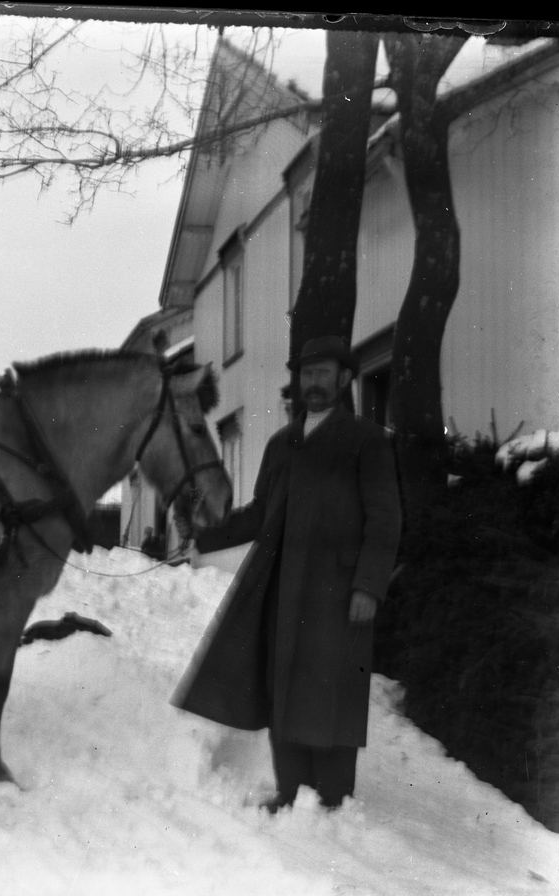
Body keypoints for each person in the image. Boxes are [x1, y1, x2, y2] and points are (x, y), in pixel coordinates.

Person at [172, 335, 401, 813]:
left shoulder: (367, 442)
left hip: (340, 594)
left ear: (344, 378)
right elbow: (260, 512)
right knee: (285, 689)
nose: (312, 382)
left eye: (322, 373)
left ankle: (335, 799)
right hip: (285, 588)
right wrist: (206, 535)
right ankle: (290, 791)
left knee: (332, 690)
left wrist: (368, 585)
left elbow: (385, 519)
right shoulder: (281, 445)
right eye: (306, 373)